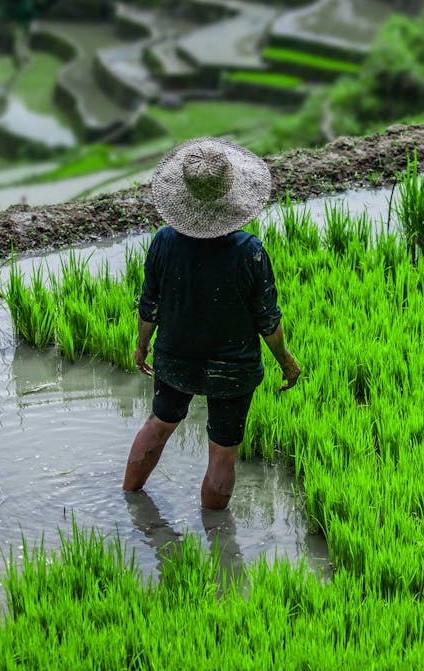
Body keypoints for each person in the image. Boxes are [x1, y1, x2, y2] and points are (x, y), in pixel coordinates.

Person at [122, 137, 301, 510]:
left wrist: (141, 346)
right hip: (232, 370)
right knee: (223, 452)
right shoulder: (248, 251)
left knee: (159, 423)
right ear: (232, 195)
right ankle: (217, 539)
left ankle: (130, 500)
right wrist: (286, 361)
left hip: (175, 358)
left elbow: (148, 307)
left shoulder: (163, 242)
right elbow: (268, 320)